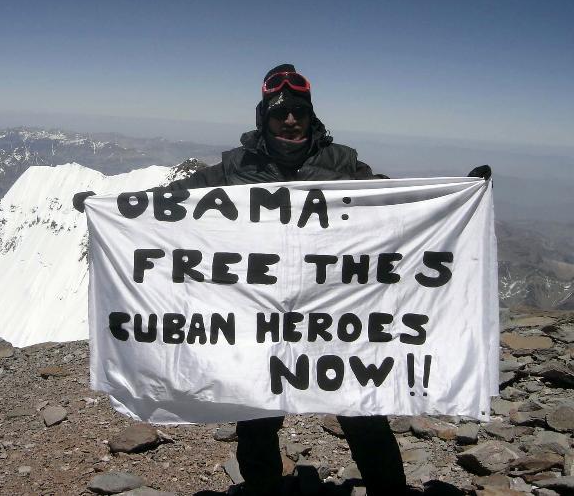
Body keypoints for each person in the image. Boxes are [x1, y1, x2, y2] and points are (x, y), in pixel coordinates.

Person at [75, 64, 491, 495]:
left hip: (333, 315)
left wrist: (455, 196)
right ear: (264, 119)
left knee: (363, 412)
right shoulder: (235, 169)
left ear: (311, 117)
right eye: (280, 114)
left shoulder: (342, 163)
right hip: (260, 319)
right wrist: (113, 209)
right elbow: (177, 202)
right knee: (257, 418)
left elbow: (392, 206)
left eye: (299, 112)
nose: (290, 120)